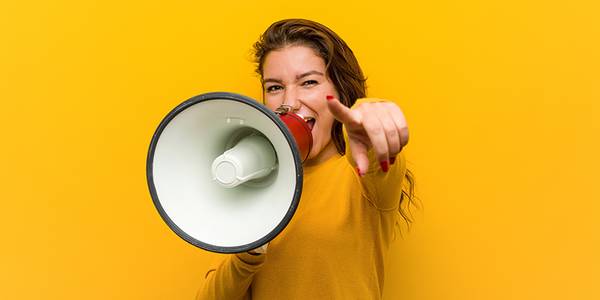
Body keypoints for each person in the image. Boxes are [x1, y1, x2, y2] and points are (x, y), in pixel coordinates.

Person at [197, 18, 416, 300]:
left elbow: (377, 157)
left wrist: (369, 113)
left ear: (339, 92)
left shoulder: (362, 178)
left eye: (309, 82)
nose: (290, 102)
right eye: (274, 87)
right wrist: (248, 251)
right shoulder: (248, 184)